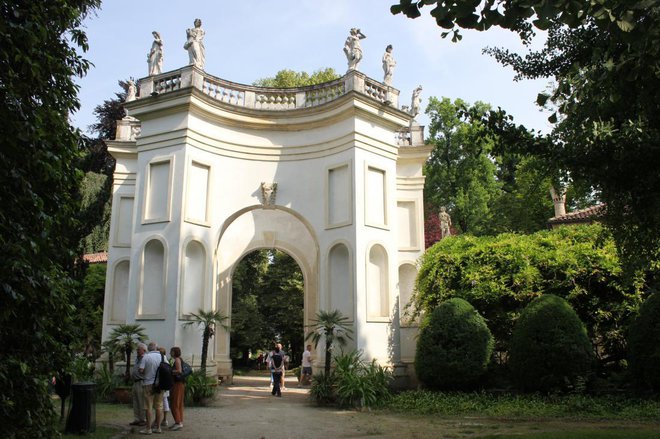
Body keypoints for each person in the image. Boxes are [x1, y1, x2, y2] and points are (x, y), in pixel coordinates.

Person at [138, 342, 165, 435]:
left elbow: (141, 370)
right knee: (159, 406)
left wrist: (146, 372)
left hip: (148, 384)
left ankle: (148, 428)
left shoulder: (146, 357)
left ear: (148, 349)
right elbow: (167, 369)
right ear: (156, 348)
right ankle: (158, 427)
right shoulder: (162, 357)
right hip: (160, 384)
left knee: (148, 407)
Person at [129, 343, 147, 427]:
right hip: (135, 382)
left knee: (141, 401)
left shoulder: (145, 359)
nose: (137, 351)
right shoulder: (137, 359)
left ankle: (143, 419)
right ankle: (137, 419)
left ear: (144, 350)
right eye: (137, 349)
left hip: (141, 382)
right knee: (135, 401)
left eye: (138, 349)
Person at [169, 347, 185, 431]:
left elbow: (179, 371)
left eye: (171, 351)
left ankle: (178, 422)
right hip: (179, 384)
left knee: (175, 403)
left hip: (177, 384)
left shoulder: (177, 360)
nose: (170, 353)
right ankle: (178, 421)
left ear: (174, 352)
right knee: (178, 403)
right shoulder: (179, 359)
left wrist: (170, 371)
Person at [157, 347, 170, 429]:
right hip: (166, 383)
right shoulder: (166, 360)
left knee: (159, 403)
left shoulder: (162, 359)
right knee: (164, 401)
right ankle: (164, 420)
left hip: (161, 384)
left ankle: (159, 420)